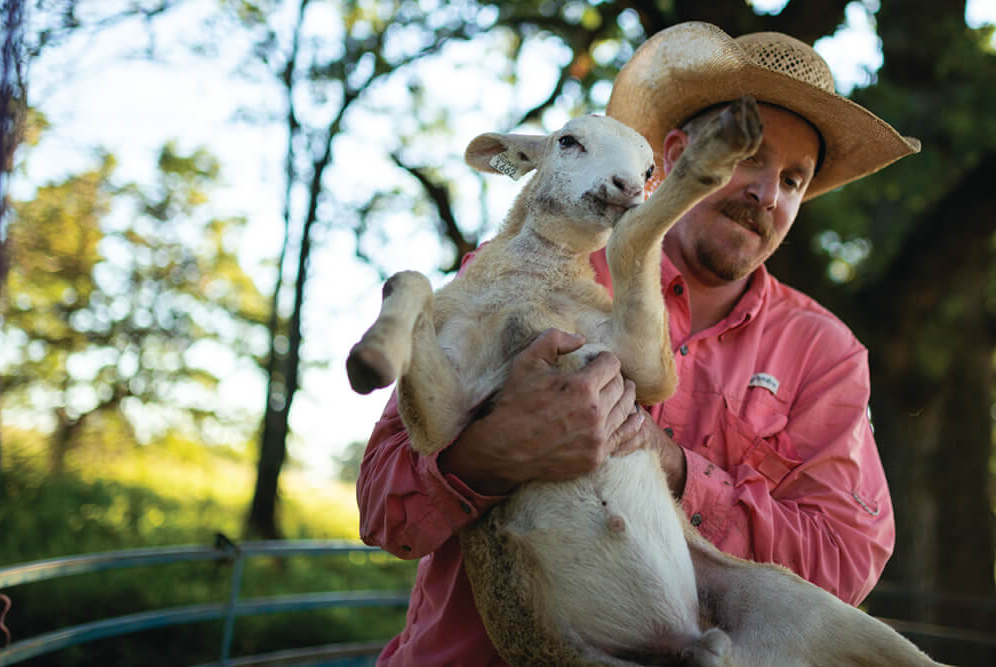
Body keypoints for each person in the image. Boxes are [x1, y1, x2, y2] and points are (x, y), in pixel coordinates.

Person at [356, 21, 920, 666]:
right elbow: (383, 511)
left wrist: (676, 467)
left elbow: (845, 562)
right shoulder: (529, 269)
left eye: (793, 179)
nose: (767, 194)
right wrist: (493, 453)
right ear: (674, 157)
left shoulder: (823, 351)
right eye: (747, 157)